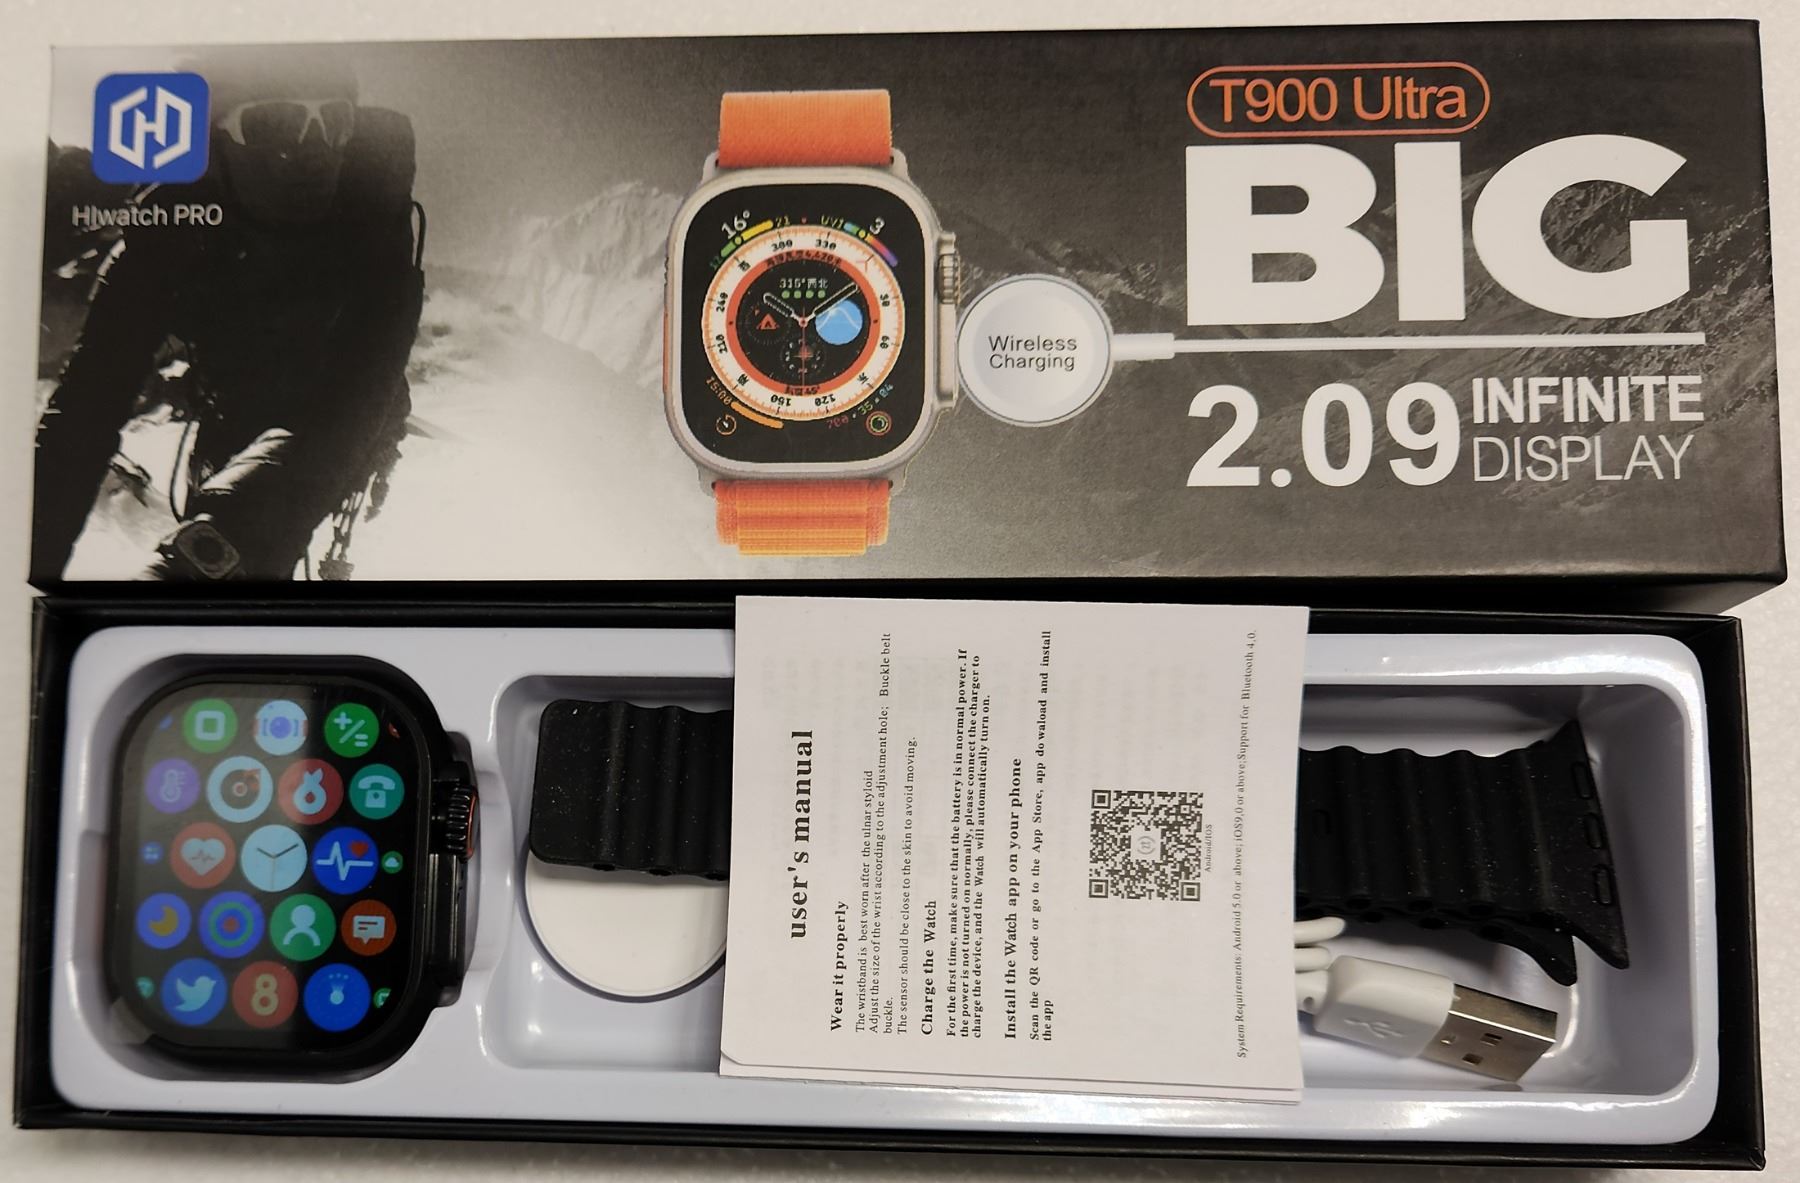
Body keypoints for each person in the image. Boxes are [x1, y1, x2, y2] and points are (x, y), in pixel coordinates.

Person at [32, 50, 423, 579]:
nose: (313, 148)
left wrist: (210, 554)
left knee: (249, 533)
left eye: (334, 121)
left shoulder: (373, 224)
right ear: (216, 144)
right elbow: (87, 410)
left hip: (343, 417)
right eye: (274, 122)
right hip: (237, 403)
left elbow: (353, 402)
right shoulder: (170, 234)